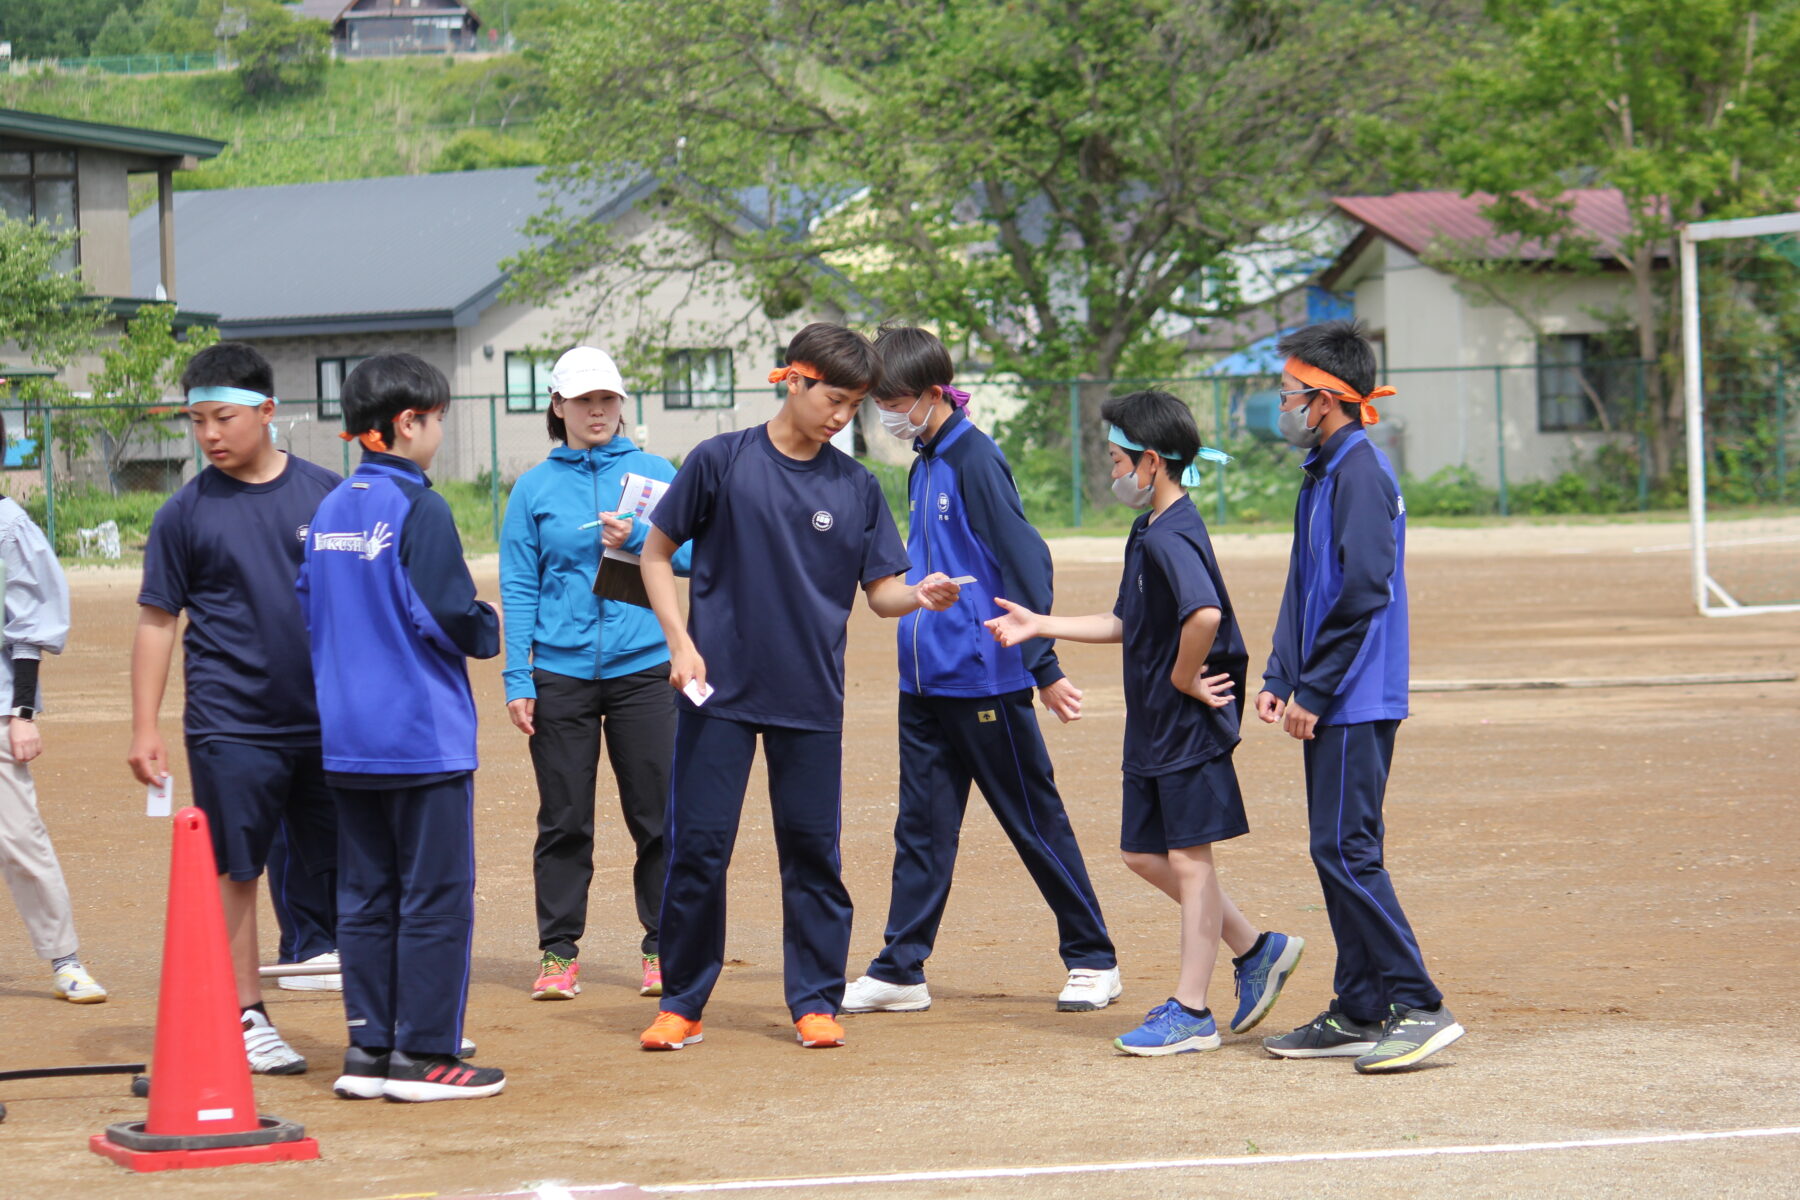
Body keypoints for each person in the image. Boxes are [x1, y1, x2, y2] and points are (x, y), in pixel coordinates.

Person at [636, 322, 961, 1052]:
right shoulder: (721, 461)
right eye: (834, 400)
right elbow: (656, 554)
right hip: (716, 694)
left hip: (811, 698)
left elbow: (881, 593)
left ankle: (815, 1000)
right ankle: (681, 1003)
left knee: (814, 853)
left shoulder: (856, 487)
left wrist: (922, 594)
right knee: (699, 849)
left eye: (855, 405)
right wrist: (680, 643)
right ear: (794, 380)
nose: (843, 417)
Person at [986, 390, 1303, 1056]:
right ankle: (1255, 948)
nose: (1110, 472)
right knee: (1140, 853)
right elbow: (1128, 624)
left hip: (1186, 725)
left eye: (1115, 460)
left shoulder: (1174, 534)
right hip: (1155, 726)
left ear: (1150, 462)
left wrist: (1186, 678)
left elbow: (1205, 615)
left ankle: (1192, 1010)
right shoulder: (1149, 531)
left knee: (1190, 864)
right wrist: (1043, 624)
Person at [844, 325, 1119, 1016]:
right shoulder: (924, 461)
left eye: (895, 400)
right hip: (925, 682)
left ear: (933, 394)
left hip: (984, 680)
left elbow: (1028, 561)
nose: (886, 414)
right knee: (922, 829)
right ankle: (901, 968)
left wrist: (1042, 663)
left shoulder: (974, 459)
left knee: (1032, 819)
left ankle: (1093, 958)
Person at [1255, 320, 1464, 1073]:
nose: (1280, 406)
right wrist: (1281, 676)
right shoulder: (1323, 471)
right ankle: (1359, 1008)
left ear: (1324, 400)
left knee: (1345, 849)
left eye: (1287, 394)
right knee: (1339, 849)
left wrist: (1315, 686)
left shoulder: (1361, 474)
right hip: (1327, 690)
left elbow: (1363, 590)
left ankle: (1419, 1003)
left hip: (1356, 695)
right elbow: (1303, 586)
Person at [297, 353, 505, 1102]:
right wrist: (488, 625)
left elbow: (310, 607)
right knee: (435, 897)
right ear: (407, 423)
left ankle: (371, 1048)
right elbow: (446, 614)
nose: (440, 431)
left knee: (367, 896)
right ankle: (424, 1055)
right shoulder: (421, 507)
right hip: (420, 736)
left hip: (349, 739)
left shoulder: (328, 508)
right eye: (437, 418)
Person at [128, 342, 341, 1074]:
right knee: (235, 868)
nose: (209, 435)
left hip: (331, 720)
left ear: (266, 413)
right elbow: (158, 621)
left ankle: (390, 1007)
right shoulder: (183, 515)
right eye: (197, 421)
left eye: (222, 417)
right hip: (232, 722)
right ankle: (245, 1014)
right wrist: (144, 726)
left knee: (364, 860)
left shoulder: (327, 495)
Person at [500, 345, 692, 1002]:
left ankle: (663, 943)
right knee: (564, 817)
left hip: (644, 668)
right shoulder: (533, 488)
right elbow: (520, 585)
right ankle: (558, 951)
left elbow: (693, 552)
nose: (598, 412)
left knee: (658, 814)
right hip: (560, 671)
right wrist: (517, 678)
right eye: (584, 401)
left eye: (607, 400)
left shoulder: (653, 471)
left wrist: (639, 538)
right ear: (558, 407)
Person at [0, 431, 105, 1005]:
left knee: (19, 838)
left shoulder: (8, 527)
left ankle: (64, 959)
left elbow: (30, 625)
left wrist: (21, 713)